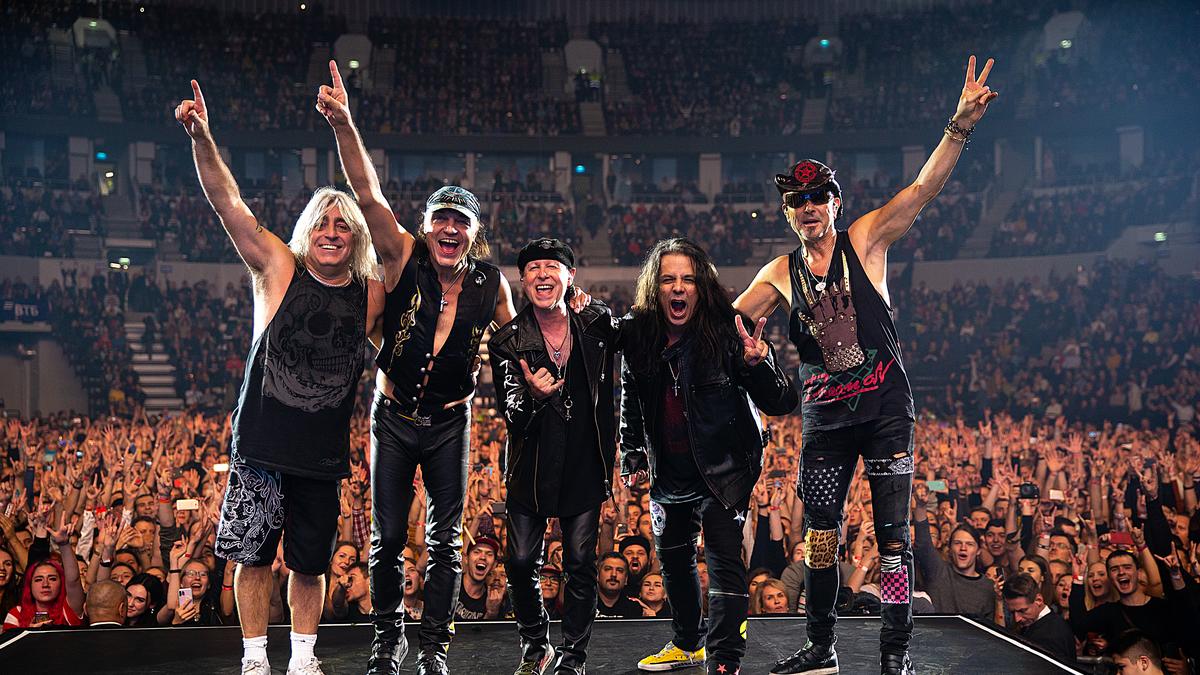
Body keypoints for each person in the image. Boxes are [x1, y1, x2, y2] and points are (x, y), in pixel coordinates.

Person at [735, 56, 1000, 675]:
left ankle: (895, 652)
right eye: (796, 201)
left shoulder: (865, 239)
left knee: (894, 542)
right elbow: (729, 322)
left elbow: (922, 190)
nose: (807, 207)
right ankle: (821, 646)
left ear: (834, 202)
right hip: (825, 419)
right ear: (787, 212)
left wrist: (959, 126)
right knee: (819, 538)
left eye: (816, 197)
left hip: (884, 411)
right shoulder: (779, 272)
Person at [175, 76, 382, 675]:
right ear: (307, 230)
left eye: (343, 226)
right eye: (323, 223)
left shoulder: (369, 295)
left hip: (321, 454)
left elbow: (411, 324)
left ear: (355, 238)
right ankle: (254, 658)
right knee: (254, 557)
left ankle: (303, 658)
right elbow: (229, 204)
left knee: (312, 564)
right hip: (262, 445)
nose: (332, 233)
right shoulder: (277, 267)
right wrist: (202, 138)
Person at [318, 59, 515, 675]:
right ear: (427, 228)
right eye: (441, 219)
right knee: (384, 540)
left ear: (474, 234)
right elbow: (367, 193)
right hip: (394, 416)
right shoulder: (403, 255)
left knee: (446, 543)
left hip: (452, 422)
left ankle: (434, 650)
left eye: (461, 222)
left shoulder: (492, 286)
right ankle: (387, 643)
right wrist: (345, 125)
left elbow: (521, 346)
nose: (449, 229)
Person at [619, 238, 798, 675]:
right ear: (655, 288)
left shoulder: (729, 330)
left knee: (722, 561)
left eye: (688, 279)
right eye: (668, 280)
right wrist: (633, 450)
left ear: (702, 286)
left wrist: (760, 363)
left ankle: (724, 659)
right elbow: (632, 397)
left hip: (724, 470)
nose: (678, 288)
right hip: (670, 470)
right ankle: (687, 643)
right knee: (673, 561)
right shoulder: (641, 336)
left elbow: (783, 401)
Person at [489, 237, 619, 675]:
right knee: (521, 561)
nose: (542, 274)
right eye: (533, 268)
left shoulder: (594, 326)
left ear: (570, 277)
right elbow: (512, 414)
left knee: (580, 564)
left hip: (584, 463)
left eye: (552, 267)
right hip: (531, 468)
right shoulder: (508, 341)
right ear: (522, 280)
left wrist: (593, 305)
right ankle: (535, 644)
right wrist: (534, 396)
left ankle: (573, 656)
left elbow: (628, 334)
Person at [912, 487, 995, 620]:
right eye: (957, 543)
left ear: (978, 550)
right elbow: (923, 544)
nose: (963, 548)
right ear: (950, 548)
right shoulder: (938, 571)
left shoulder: (988, 587)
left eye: (969, 544)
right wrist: (921, 507)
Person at [1002, 573, 1076, 663]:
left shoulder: (1051, 636)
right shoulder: (1048, 623)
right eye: (1012, 612)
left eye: (1022, 611)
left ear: (1038, 600)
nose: (1017, 619)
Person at [595, 553, 641, 618]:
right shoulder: (583, 604)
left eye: (619, 570)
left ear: (626, 579)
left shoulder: (634, 609)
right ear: (597, 575)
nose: (613, 574)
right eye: (608, 569)